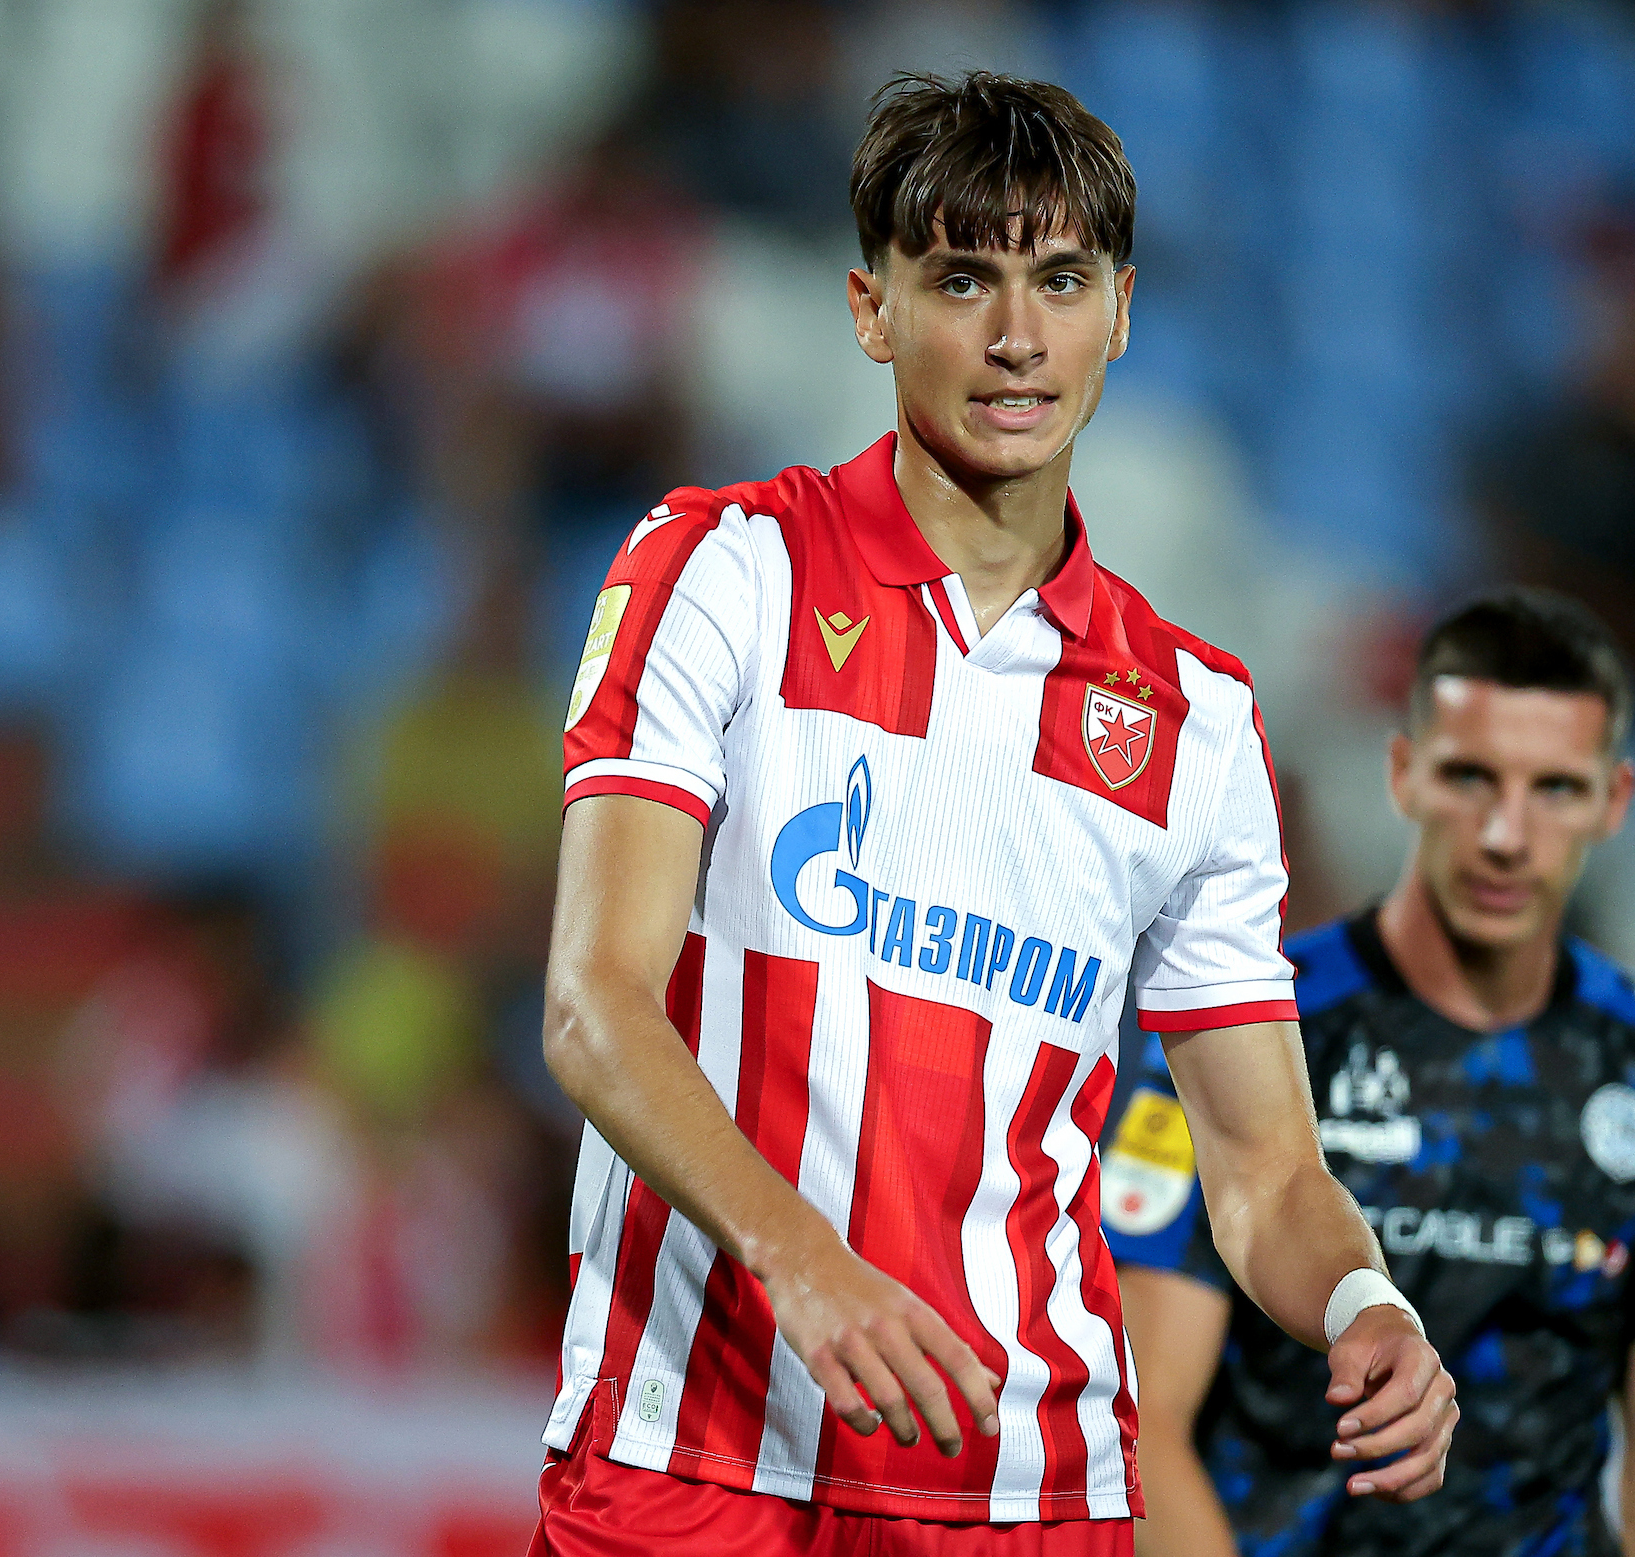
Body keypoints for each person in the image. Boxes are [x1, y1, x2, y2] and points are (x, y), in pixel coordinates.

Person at [530, 72, 1455, 1557]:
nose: (1018, 337)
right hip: (690, 1468)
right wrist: (801, 1261)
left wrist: (1368, 1305)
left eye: (1061, 281)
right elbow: (594, 1004)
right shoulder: (721, 571)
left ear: (1123, 312)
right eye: (963, 278)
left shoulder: (1199, 722)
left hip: (1026, 1501)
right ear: (870, 308)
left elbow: (1266, 1168)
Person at [1110, 590, 1635, 1557]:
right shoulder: (1244, 1028)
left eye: (1556, 788)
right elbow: (1138, 1426)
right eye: (1471, 776)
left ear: (1615, 800)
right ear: (1404, 775)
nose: (1505, 833)